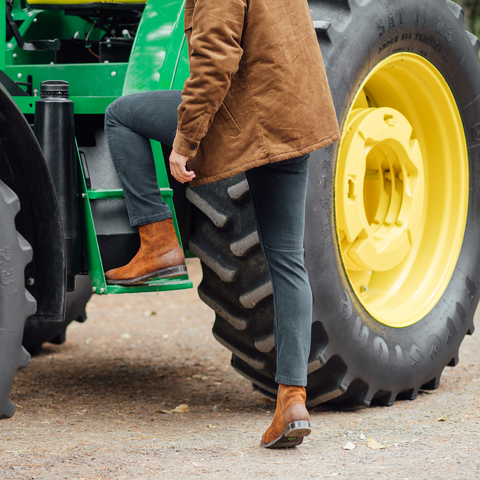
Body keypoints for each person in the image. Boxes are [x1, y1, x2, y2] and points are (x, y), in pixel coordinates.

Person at [104, 0, 339, 448]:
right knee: (288, 261)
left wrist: (184, 140)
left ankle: (159, 242)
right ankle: (292, 399)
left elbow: (215, 56)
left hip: (250, 117)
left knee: (122, 115)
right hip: (294, 116)